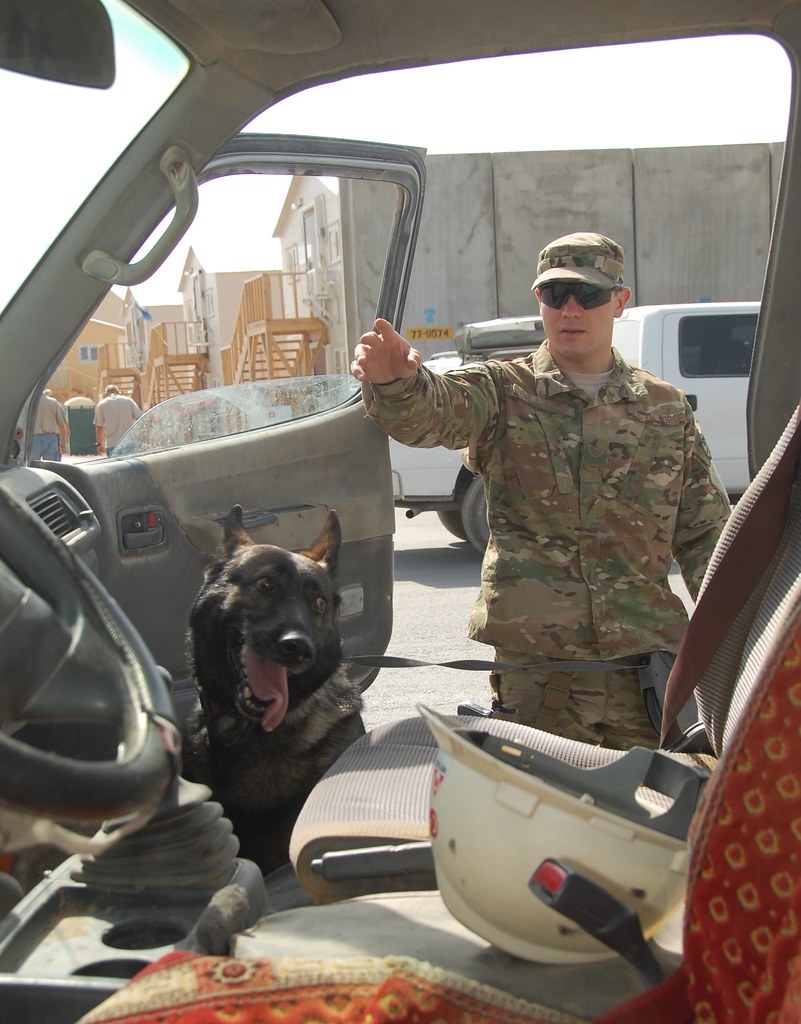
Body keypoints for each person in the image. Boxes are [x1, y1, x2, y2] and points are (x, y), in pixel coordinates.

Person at [351, 231, 731, 750]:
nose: (571, 308)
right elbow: (431, 412)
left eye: (589, 294)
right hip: (540, 675)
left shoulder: (664, 409)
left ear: (620, 301)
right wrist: (396, 381)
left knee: (653, 816)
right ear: (540, 301)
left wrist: (744, 638)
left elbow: (705, 534)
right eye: (556, 295)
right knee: (541, 819)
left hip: (644, 672)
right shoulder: (504, 391)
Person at [94, 384, 143, 456]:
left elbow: (99, 427)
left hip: (112, 443)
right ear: (118, 392)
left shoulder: (101, 405)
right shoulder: (128, 401)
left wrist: (99, 444)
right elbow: (140, 418)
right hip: (129, 441)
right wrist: (139, 437)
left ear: (105, 394)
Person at [31, 389, 69, 462]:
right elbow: (61, 424)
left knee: (33, 468)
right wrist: (63, 441)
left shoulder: (30, 404)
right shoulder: (53, 402)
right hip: (50, 438)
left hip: (33, 438)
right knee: (52, 467)